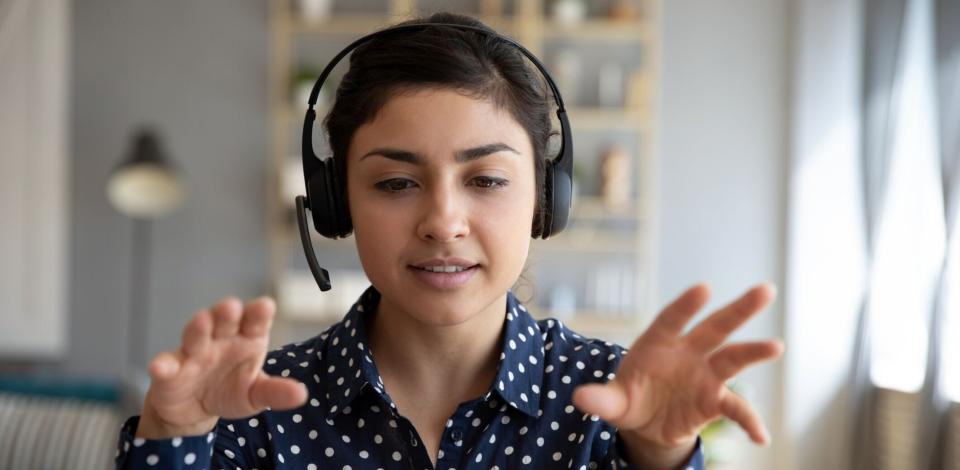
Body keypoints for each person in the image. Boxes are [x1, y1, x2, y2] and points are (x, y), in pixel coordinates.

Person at [114, 11, 783, 470]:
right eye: (396, 184)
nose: (443, 220)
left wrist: (658, 457)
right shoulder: (253, 407)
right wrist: (172, 439)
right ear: (335, 200)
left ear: (545, 200)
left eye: (487, 180)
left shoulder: (612, 400)